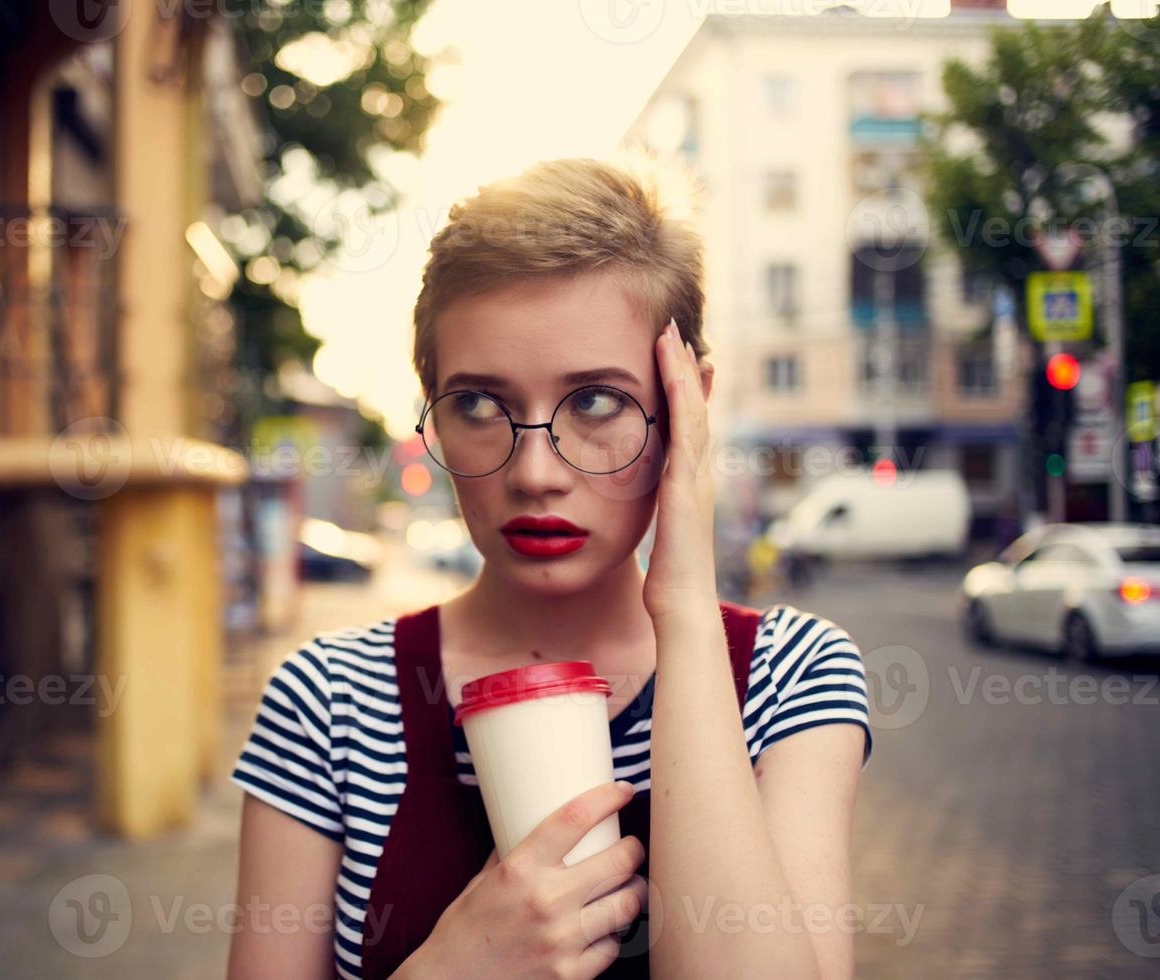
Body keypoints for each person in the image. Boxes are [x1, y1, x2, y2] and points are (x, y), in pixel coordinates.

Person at [227, 158, 872, 979]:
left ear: (688, 408)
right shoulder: (328, 703)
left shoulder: (792, 676)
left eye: (597, 401)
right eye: (479, 404)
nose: (535, 472)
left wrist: (682, 604)